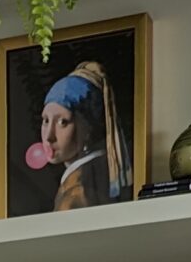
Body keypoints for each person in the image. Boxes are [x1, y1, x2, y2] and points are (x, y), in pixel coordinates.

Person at [34, 60, 130, 209]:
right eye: (46, 121)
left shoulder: (78, 189)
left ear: (88, 128)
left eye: (62, 122)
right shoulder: (92, 174)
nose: (49, 136)